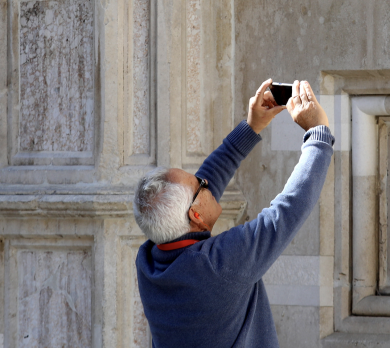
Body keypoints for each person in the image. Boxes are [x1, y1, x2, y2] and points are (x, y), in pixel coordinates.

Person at [134, 79, 334, 348]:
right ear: (195, 215)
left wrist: (251, 127)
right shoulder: (218, 266)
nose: (206, 181)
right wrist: (318, 134)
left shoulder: (149, 262)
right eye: (200, 185)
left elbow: (202, 187)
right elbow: (287, 211)